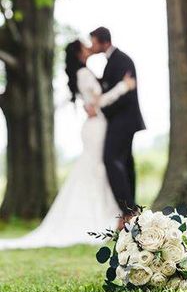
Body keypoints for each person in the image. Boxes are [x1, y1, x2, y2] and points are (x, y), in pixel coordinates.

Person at [0, 39, 136, 249]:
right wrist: (123, 87)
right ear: (79, 54)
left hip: (96, 125)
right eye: (84, 47)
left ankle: (112, 213)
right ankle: (103, 216)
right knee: (97, 168)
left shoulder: (83, 73)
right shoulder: (83, 74)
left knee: (97, 169)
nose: (88, 48)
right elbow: (98, 101)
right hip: (96, 127)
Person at [87, 27, 145, 229]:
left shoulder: (121, 60)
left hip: (123, 120)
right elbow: (109, 88)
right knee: (125, 162)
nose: (91, 46)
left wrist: (102, 109)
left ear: (103, 41)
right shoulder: (113, 62)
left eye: (93, 42)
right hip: (120, 120)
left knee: (112, 160)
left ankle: (129, 210)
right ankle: (130, 210)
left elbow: (124, 96)